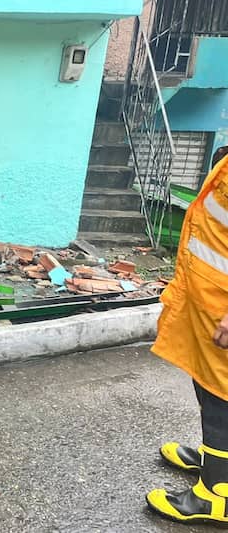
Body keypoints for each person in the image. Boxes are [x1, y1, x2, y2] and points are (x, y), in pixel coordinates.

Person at [146, 147, 228, 525]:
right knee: (208, 385)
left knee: (221, 398)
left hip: (222, 307)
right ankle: (216, 461)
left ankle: (217, 495)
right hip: (210, 299)